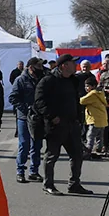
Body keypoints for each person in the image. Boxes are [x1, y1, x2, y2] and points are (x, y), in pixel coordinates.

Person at [33, 54, 93, 196]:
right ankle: (48, 184)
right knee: (52, 155)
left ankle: (74, 184)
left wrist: (79, 118)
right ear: (64, 65)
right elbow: (39, 101)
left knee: (77, 154)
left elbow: (76, 100)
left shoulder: (73, 80)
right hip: (55, 126)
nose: (75, 65)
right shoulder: (48, 80)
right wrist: (52, 117)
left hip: (72, 124)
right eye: (72, 63)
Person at [9, 57, 45, 184]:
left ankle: (34, 171)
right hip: (24, 117)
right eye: (38, 66)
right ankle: (20, 171)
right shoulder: (21, 80)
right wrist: (26, 109)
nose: (41, 69)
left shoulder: (42, 79)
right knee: (24, 145)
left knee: (37, 145)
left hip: (38, 117)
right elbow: (13, 98)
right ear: (31, 67)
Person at [80, 76, 109, 157]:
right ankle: (99, 149)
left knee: (90, 135)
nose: (86, 88)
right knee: (100, 137)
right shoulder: (100, 93)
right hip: (102, 119)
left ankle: (88, 150)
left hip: (94, 119)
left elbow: (82, 101)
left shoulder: (92, 94)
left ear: (93, 86)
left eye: (88, 86)